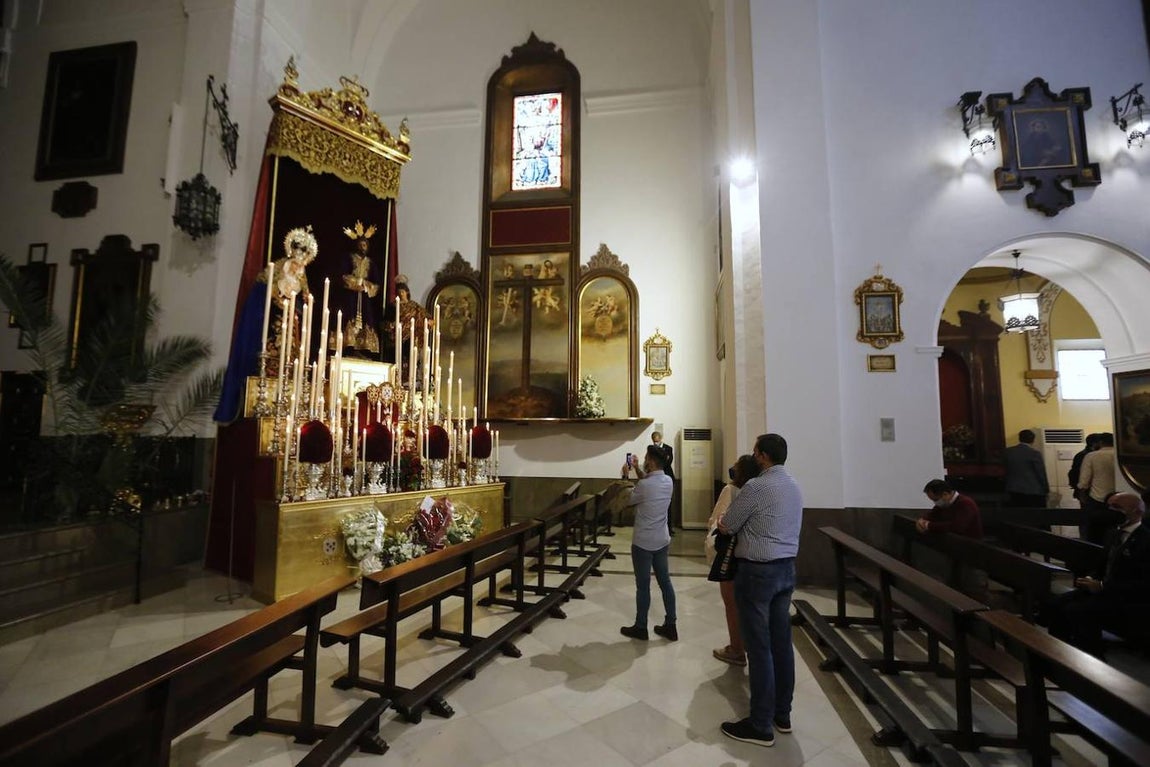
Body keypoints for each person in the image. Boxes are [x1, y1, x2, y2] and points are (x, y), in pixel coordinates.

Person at [717, 434, 803, 748]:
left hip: (758, 572)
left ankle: (760, 723)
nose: (754, 456)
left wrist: (728, 521)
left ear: (763, 456)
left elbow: (728, 525)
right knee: (782, 643)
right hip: (786, 569)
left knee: (759, 647)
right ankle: (783, 714)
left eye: (756, 452)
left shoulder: (756, 486)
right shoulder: (794, 485)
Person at [1043, 492, 1150, 657]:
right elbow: (1103, 566)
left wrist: (1102, 586)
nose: (1111, 511)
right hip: (1106, 591)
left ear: (1136, 511)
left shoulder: (1145, 539)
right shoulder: (1113, 534)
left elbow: (1144, 583)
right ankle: (1059, 657)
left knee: (1078, 611)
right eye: (1109, 506)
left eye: (1117, 507)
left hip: (1129, 598)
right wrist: (1091, 579)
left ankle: (1093, 663)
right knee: (1056, 604)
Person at [618, 445, 677, 642]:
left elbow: (627, 499)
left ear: (651, 461)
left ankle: (641, 627)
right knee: (665, 583)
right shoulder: (668, 481)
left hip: (643, 542)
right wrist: (636, 468)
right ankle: (671, 625)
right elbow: (648, 482)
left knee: (643, 586)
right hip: (661, 540)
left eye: (645, 458)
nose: (643, 460)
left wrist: (626, 477)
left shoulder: (644, 486)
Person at [706, 453, 759, 666]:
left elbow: (719, 520)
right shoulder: (756, 491)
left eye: (735, 466)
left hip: (730, 553)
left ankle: (736, 648)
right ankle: (747, 645)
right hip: (749, 554)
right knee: (746, 604)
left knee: (731, 604)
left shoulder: (731, 490)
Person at [1078, 433, 1118, 544]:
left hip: (1097, 499)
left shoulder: (1092, 456)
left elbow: (1084, 481)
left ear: (1100, 442)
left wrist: (1082, 496)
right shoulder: (1119, 455)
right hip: (1121, 499)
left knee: (1096, 534)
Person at [917, 479, 983, 539]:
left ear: (945, 494)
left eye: (936, 499)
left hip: (970, 545)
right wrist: (921, 522)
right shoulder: (944, 503)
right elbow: (931, 515)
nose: (935, 503)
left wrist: (928, 525)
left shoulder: (966, 504)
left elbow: (957, 527)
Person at [1003, 429, 1049, 508]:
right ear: (1033, 440)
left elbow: (1005, 470)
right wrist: (1046, 489)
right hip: (1033, 491)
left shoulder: (1008, 452)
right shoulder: (1035, 454)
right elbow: (1041, 473)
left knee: (1018, 516)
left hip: (1013, 490)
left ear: (1019, 438)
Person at [651, 431, 675, 536]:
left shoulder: (668, 448)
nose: (656, 443)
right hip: (655, 478)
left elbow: (667, 463)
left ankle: (669, 527)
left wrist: (659, 463)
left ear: (661, 439)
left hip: (667, 476)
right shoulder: (651, 449)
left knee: (668, 504)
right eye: (654, 441)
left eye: (657, 441)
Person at [1068, 433, 1101, 506]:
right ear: (1094, 443)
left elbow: (1074, 472)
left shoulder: (1080, 454)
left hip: (1084, 489)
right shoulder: (1089, 455)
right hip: (1089, 490)